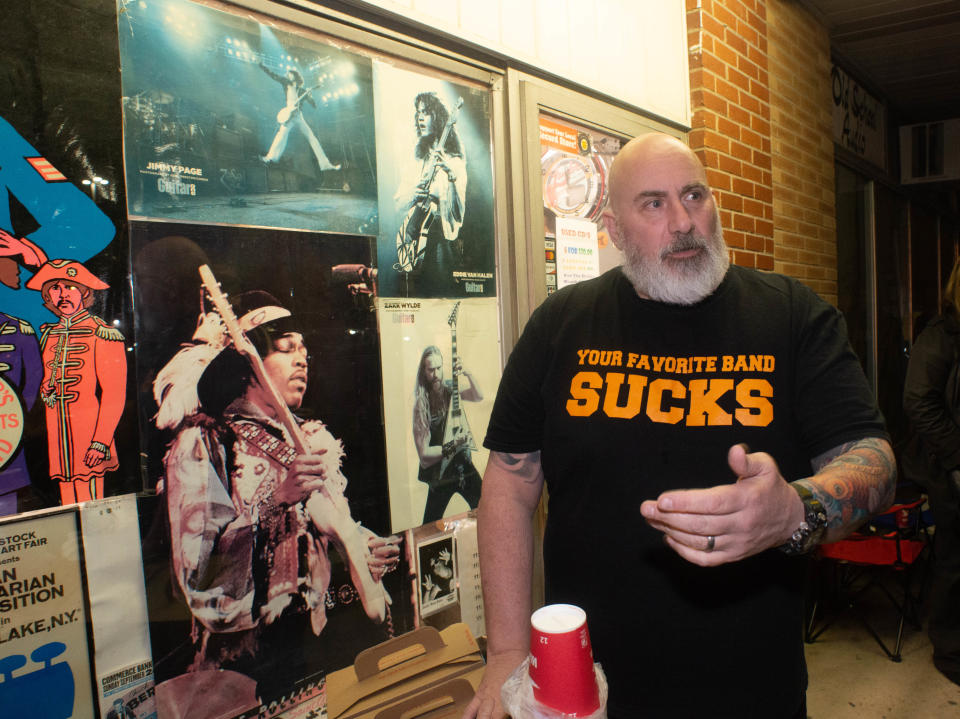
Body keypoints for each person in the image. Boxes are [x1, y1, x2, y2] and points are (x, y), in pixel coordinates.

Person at [465, 133, 896, 719]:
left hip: (751, 687)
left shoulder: (793, 316)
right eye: (654, 203)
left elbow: (874, 459)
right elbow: (511, 485)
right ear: (614, 231)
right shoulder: (560, 325)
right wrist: (507, 653)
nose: (684, 220)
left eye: (694, 195)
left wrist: (797, 509)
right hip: (588, 689)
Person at [155, 288, 400, 706]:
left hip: (332, 650)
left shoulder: (310, 440)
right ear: (250, 367)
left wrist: (362, 547)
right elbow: (197, 578)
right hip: (252, 671)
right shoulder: (206, 443)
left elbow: (327, 535)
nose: (303, 359)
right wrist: (277, 501)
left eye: (304, 350)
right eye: (287, 349)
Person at [25, 259, 126, 505]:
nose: (62, 295)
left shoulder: (103, 333)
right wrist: (46, 390)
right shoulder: (50, 336)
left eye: (69, 288)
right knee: (68, 505)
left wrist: (100, 442)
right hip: (59, 438)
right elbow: (46, 385)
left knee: (93, 506)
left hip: (90, 437)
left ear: (84, 292)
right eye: (55, 289)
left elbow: (114, 394)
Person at [902, 258, 960, 686]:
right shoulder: (941, 335)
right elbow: (919, 401)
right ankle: (952, 653)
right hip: (949, 467)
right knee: (955, 560)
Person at [394, 92, 466, 291]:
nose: (420, 118)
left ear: (439, 117)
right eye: (418, 113)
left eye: (425, 113)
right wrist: (414, 195)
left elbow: (458, 215)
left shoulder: (455, 163)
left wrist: (451, 176)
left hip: (440, 245)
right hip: (414, 239)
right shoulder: (417, 159)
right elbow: (398, 204)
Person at [413, 345, 482, 523]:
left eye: (438, 368)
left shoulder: (450, 388)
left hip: (462, 468)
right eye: (431, 370)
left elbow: (478, 396)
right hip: (441, 475)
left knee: (486, 508)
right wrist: (454, 444)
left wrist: (467, 372)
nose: (436, 374)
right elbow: (424, 456)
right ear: (424, 371)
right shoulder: (422, 405)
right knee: (429, 526)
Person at [259, 62, 340, 172]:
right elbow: (273, 75)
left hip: (298, 116)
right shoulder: (285, 83)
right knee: (281, 135)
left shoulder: (302, 91)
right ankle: (269, 158)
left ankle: (325, 164)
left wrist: (310, 96)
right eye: (287, 74)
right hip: (289, 115)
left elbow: (314, 106)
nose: (287, 75)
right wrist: (262, 66)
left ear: (295, 76)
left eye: (290, 74)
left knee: (312, 138)